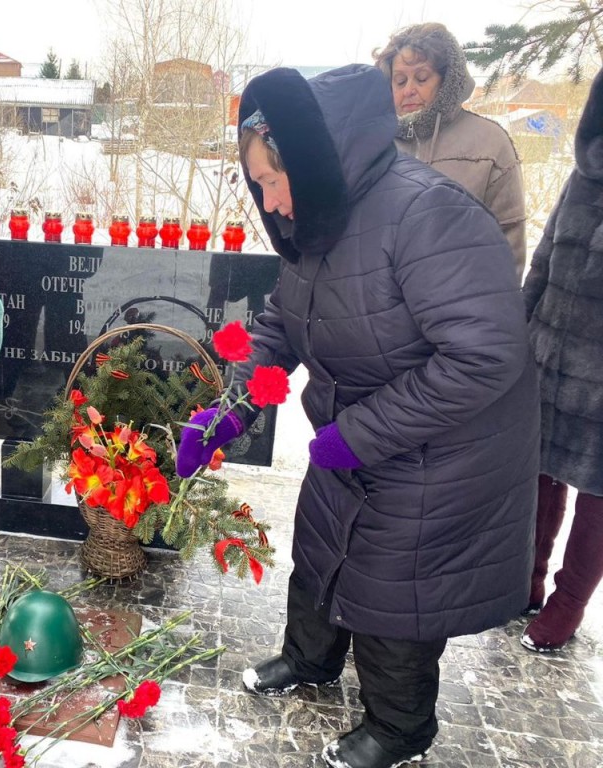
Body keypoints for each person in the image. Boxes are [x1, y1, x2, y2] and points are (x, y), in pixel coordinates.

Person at [178, 65, 538, 768]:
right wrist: (227, 412)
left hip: (443, 449)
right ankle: (308, 660)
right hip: (358, 432)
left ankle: (401, 728)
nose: (270, 202)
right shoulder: (317, 219)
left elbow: (487, 357)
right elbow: (280, 327)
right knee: (320, 546)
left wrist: (361, 434)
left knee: (392, 592)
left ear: (310, 165)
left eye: (274, 183)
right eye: (259, 187)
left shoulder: (425, 214)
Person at [519, 67, 603, 654]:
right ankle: (527, 575)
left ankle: (569, 600)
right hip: (551, 353)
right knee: (540, 470)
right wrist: (519, 334)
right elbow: (544, 260)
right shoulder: (583, 175)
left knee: (599, 489)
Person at [373, 22, 527, 279]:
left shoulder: (489, 142)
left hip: (465, 308)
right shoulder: (375, 144)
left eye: (422, 78)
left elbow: (509, 240)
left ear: (447, 80)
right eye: (400, 81)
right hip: (386, 312)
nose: (409, 89)